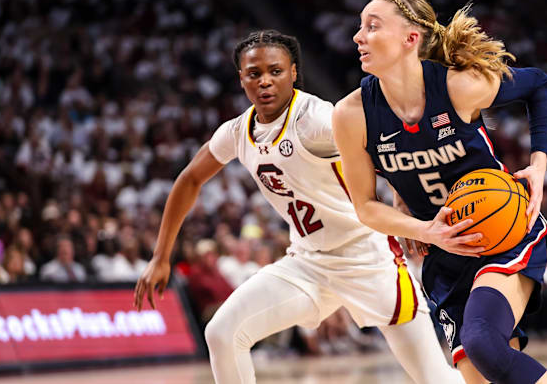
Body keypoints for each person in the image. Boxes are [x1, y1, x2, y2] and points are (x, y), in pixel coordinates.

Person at [134, 30, 464, 384]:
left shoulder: (317, 119)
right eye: (254, 73)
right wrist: (161, 256)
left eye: (275, 71)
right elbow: (189, 180)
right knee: (222, 333)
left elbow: (384, 146)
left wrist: (401, 198)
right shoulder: (236, 132)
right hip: (308, 262)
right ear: (241, 79)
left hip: (368, 259)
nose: (265, 81)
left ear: (293, 72)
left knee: (435, 379)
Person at [332, 0, 547, 384]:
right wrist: (422, 228)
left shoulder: (458, 87)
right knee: (488, 372)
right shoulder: (351, 115)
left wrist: (539, 164)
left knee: (483, 344)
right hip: (444, 255)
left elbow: (541, 86)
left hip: (501, 232)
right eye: (359, 27)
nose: (358, 37)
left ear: (411, 38)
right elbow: (365, 206)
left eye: (372, 26)